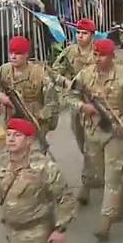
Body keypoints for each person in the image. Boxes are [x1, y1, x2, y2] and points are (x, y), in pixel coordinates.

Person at [69, 39, 123, 240]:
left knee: (113, 176)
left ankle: (105, 221)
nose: (97, 58)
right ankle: (122, 205)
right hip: (93, 132)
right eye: (95, 54)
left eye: (102, 55)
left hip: (115, 134)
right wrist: (83, 107)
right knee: (102, 176)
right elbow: (70, 96)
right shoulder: (85, 75)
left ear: (112, 57)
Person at [0, 36, 59, 133]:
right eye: (11, 53)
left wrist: (41, 116)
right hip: (12, 122)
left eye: (17, 53)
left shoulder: (39, 73)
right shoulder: (4, 70)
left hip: (35, 122)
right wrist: (0, 96)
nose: (13, 56)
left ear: (26, 54)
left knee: (35, 148)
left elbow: (52, 102)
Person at [51, 18, 97, 163]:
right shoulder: (70, 52)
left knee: (97, 133)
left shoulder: (99, 51)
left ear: (92, 35)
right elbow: (54, 72)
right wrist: (66, 82)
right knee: (78, 132)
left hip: (96, 99)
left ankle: (97, 162)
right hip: (76, 99)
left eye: (84, 33)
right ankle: (88, 158)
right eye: (78, 32)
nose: (80, 36)